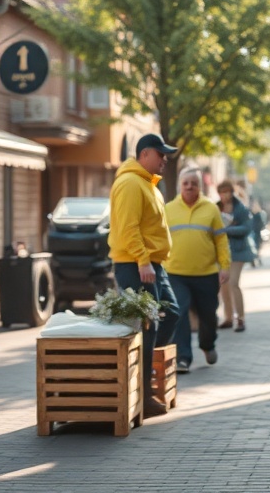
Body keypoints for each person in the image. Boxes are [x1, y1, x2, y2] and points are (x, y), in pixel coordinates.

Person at [108, 132, 182, 417]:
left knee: (171, 312)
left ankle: (144, 368)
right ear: (144, 154)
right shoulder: (130, 183)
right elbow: (129, 227)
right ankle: (143, 392)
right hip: (136, 265)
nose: (164, 160)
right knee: (148, 323)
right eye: (161, 154)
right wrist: (142, 260)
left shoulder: (149, 184)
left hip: (152, 264)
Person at [164, 169, 230, 374]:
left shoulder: (211, 209)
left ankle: (207, 344)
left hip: (206, 273)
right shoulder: (168, 209)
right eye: (186, 183)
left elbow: (221, 240)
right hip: (176, 272)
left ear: (200, 186)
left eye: (193, 182)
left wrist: (224, 266)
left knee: (208, 316)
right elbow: (159, 239)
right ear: (180, 186)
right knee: (179, 312)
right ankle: (183, 358)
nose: (189, 186)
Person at [216, 180, 255, 332]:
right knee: (224, 286)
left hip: (238, 251)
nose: (224, 196)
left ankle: (241, 318)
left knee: (233, 283)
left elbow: (247, 228)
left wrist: (227, 230)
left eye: (227, 192)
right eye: (222, 193)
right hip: (222, 251)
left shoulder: (241, 208)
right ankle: (228, 318)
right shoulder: (216, 207)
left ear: (232, 193)